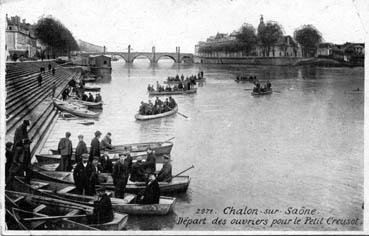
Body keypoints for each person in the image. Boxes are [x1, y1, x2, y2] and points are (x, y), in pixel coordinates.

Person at [8, 120, 32, 187]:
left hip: (21, 155)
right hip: (18, 147)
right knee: (15, 173)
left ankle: (24, 181)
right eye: (26, 125)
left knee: (28, 169)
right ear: (24, 124)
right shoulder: (19, 129)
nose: (27, 127)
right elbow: (20, 140)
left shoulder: (24, 128)